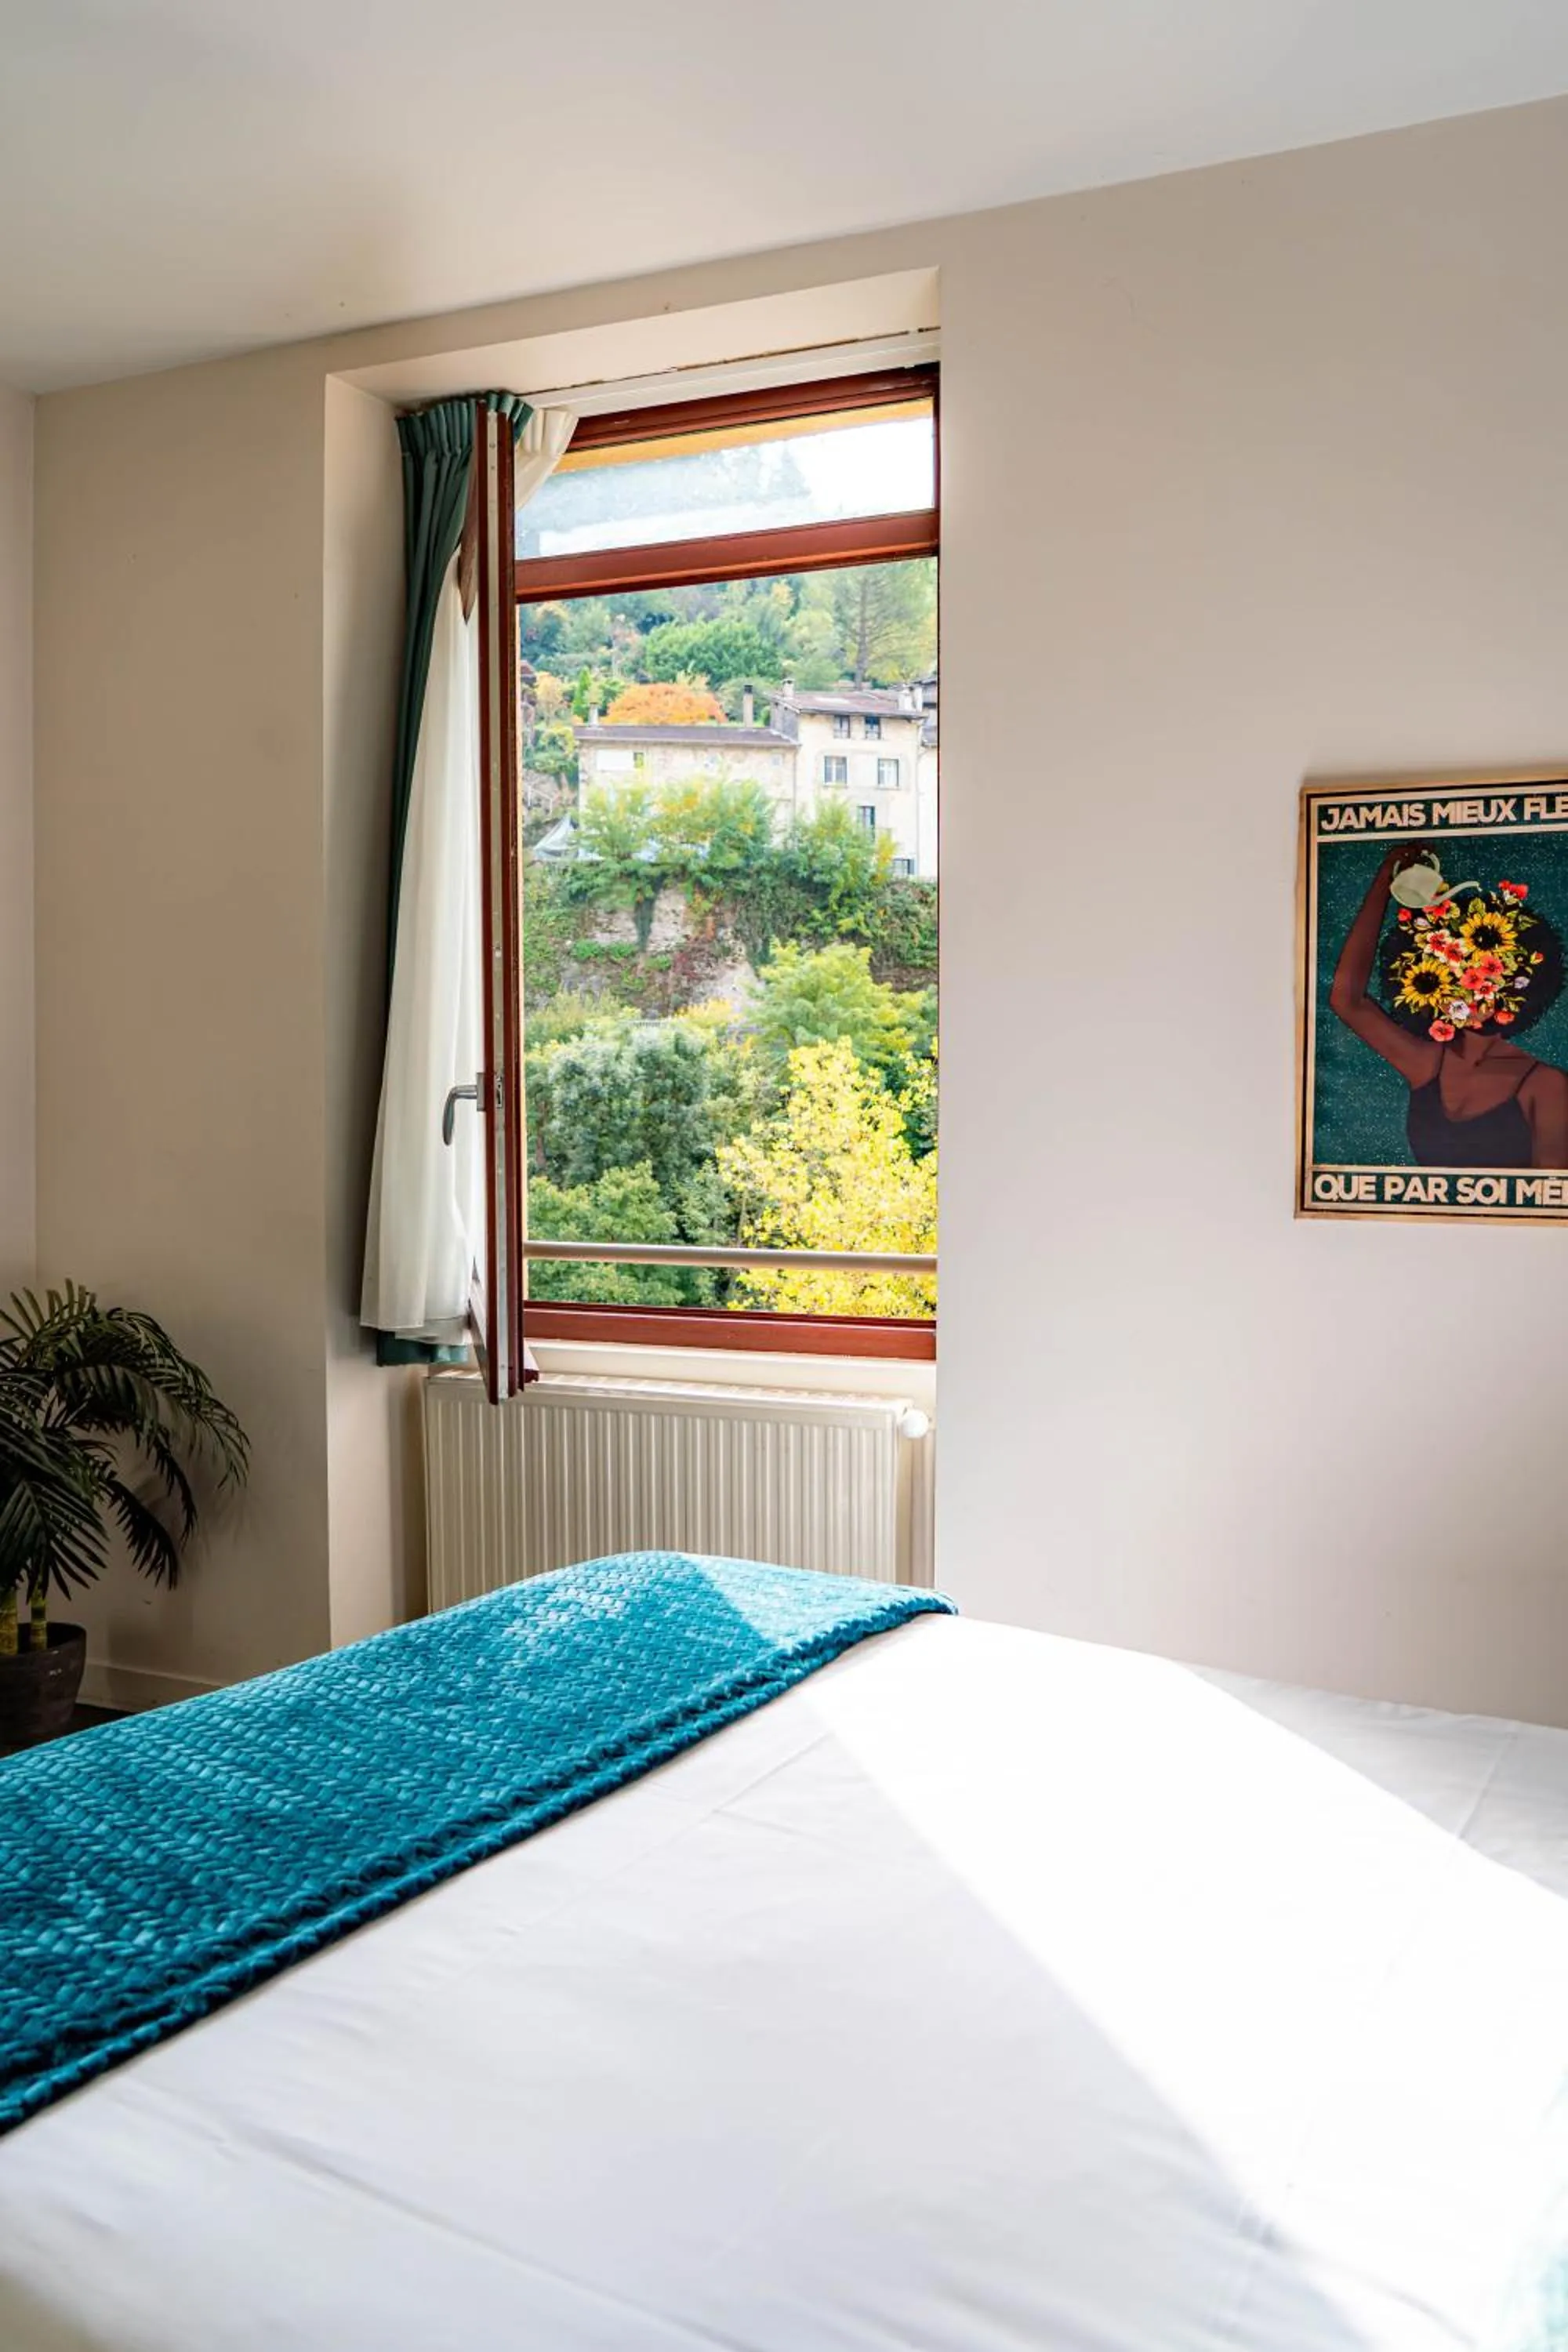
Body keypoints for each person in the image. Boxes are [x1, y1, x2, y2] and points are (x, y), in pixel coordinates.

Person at [1330, 844, 1568, 1167]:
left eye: (1482, 975)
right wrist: (1386, 880)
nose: (1467, 992)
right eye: (1453, 975)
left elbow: (1554, 1192)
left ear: (1515, 981)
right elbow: (1347, 1001)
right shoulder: (1429, 1064)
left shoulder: (1545, 1085)